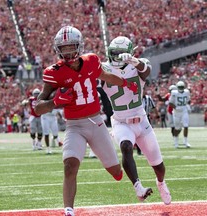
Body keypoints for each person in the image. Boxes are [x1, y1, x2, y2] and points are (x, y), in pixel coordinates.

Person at [34, 26, 138, 216]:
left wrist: (126, 83)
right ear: (57, 49)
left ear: (79, 46)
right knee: (69, 166)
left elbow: (106, 76)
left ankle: (115, 166)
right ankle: (68, 210)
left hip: (96, 123)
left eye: (71, 46)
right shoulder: (54, 72)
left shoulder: (91, 61)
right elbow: (38, 108)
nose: (67, 52)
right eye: (63, 48)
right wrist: (56, 101)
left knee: (116, 172)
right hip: (74, 125)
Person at [101, 36, 171, 205]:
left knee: (159, 166)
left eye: (121, 53)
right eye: (114, 53)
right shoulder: (103, 68)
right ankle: (138, 187)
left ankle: (160, 183)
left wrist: (133, 61)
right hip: (120, 121)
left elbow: (146, 71)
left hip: (142, 121)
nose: (117, 57)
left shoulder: (139, 64)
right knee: (126, 146)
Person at [169, 81, 191, 148]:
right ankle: (176, 142)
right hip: (176, 112)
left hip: (184, 111)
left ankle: (185, 142)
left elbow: (188, 101)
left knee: (186, 126)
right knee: (177, 128)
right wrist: (176, 107)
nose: (181, 88)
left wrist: (187, 106)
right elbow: (170, 103)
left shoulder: (187, 92)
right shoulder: (174, 93)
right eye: (180, 87)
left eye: (182, 87)